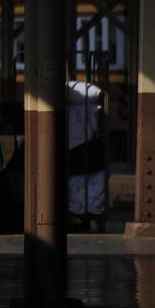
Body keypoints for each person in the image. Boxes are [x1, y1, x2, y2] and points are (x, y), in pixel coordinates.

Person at [66, 79, 106, 232]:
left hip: (77, 152)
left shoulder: (73, 111)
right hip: (85, 151)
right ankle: (90, 209)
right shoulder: (90, 110)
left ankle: (81, 209)